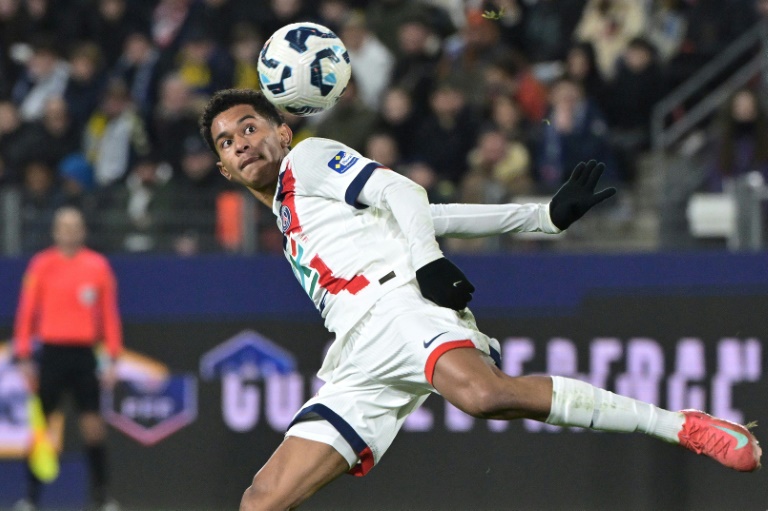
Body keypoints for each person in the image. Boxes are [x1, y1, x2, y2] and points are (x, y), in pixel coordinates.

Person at [198, 89, 761, 511]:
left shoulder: (310, 160)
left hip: (398, 304)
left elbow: (402, 191)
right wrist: (539, 217)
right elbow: (428, 213)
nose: (242, 142)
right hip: (356, 353)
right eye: (227, 142)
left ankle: (677, 425)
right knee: (263, 501)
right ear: (223, 168)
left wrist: (428, 261)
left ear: (282, 132)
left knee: (484, 395)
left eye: (250, 127)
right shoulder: (288, 212)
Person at [13, 206, 122, 511]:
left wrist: (113, 357)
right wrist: (23, 354)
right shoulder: (41, 265)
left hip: (84, 356)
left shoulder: (97, 266)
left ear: (83, 230)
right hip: (51, 355)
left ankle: (102, 499)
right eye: (64, 225)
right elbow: (26, 313)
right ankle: (31, 499)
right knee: (41, 428)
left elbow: (109, 316)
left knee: (93, 427)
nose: (70, 231)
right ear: (55, 231)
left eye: (75, 225)